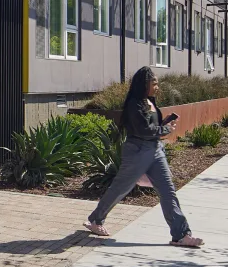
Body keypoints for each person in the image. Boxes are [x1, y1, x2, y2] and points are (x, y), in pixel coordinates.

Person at [84, 66, 204, 248]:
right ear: (144, 84)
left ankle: (181, 235)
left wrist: (163, 125)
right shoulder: (134, 104)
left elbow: (151, 127)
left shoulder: (150, 102)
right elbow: (143, 130)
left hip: (155, 151)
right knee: (120, 188)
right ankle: (96, 219)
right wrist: (165, 130)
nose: (157, 87)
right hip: (137, 151)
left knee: (168, 191)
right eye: (154, 83)